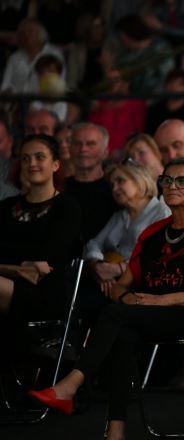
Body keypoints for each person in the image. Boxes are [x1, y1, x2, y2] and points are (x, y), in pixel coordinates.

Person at [28, 158, 184, 440]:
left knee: (114, 315)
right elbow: (120, 288)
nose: (172, 186)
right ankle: (115, 430)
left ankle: (70, 385)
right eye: (167, 180)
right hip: (148, 313)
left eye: (182, 181)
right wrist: (131, 299)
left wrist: (159, 301)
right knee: (123, 330)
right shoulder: (152, 234)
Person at [0, 135, 81, 351]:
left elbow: (45, 264)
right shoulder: (5, 207)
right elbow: (29, 263)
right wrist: (19, 268)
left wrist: (14, 264)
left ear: (56, 165)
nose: (32, 163)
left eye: (39, 157)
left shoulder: (67, 208)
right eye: (25, 158)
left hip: (44, 292)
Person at [80, 160, 170, 319]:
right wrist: (98, 265)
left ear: (140, 180)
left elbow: (158, 257)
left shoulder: (162, 212)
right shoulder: (119, 216)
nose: (114, 189)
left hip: (140, 288)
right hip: (108, 283)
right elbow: (93, 244)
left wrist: (118, 269)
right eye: (112, 184)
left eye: (120, 181)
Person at [65, 122, 120, 245]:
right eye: (77, 143)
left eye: (91, 144)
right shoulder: (58, 188)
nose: (83, 149)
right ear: (69, 150)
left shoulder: (117, 190)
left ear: (105, 152)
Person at [89, 68, 146, 161]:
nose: (110, 85)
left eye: (115, 80)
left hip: (128, 157)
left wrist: (123, 151)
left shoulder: (136, 104)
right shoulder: (99, 105)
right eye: (108, 81)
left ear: (126, 84)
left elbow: (139, 134)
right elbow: (93, 134)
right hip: (101, 157)